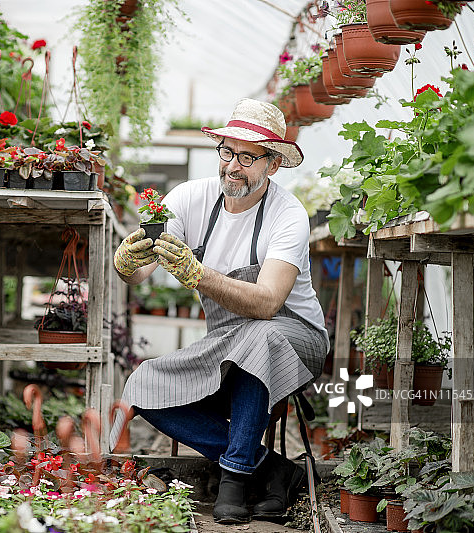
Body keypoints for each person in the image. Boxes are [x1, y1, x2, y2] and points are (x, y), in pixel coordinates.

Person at [111, 99, 329, 524]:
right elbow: (144, 273)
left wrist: (198, 273)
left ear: (273, 165)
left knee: (259, 338)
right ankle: (270, 469)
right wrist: (128, 264)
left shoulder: (287, 215)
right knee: (144, 385)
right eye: (227, 152)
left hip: (295, 339)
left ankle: (232, 481)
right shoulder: (191, 199)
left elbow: (267, 304)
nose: (234, 165)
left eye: (248, 157)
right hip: (226, 342)